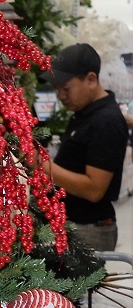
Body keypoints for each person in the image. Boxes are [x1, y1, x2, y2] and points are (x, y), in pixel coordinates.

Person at [46, 42, 128, 253]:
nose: (61, 97)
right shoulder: (86, 113)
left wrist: (44, 166)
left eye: (66, 89)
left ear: (91, 79)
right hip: (74, 224)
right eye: (57, 90)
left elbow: (94, 190)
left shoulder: (105, 122)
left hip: (88, 231)